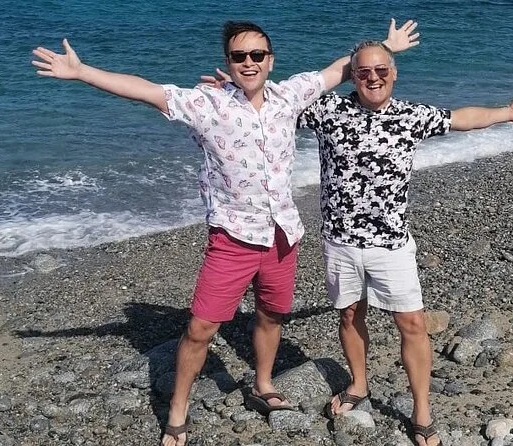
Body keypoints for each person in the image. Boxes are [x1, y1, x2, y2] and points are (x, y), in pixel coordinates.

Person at [32, 20, 419, 446]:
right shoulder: (207, 104)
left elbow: (341, 70)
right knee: (200, 328)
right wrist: (82, 71)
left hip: (282, 234)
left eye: (257, 55)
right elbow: (145, 90)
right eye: (239, 56)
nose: (249, 62)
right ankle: (177, 411)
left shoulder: (289, 96)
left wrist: (386, 47)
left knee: (271, 316)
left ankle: (263, 384)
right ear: (229, 62)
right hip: (232, 237)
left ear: (270, 61)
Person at [297, 40, 513, 446]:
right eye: (363, 72)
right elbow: (275, 107)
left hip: (391, 242)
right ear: (351, 76)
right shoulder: (328, 111)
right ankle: (359, 384)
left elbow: (462, 118)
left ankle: (421, 410)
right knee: (349, 315)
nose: (373, 78)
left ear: (394, 74)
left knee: (412, 323)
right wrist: (234, 93)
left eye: (382, 70)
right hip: (340, 241)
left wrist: (508, 113)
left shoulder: (411, 116)